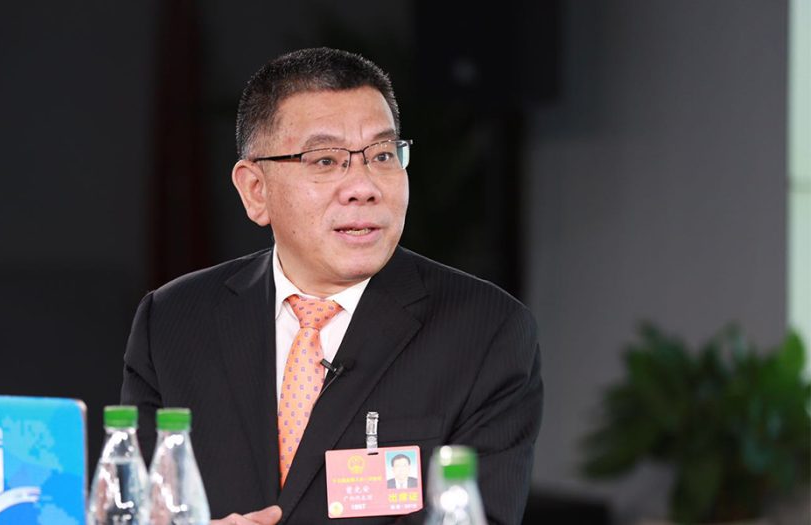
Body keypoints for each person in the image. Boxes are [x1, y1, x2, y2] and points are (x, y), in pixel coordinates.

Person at [121, 47, 542, 525]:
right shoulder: (172, 321)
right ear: (256, 190)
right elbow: (136, 509)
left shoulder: (485, 330)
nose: (364, 187)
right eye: (325, 160)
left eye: (382, 155)